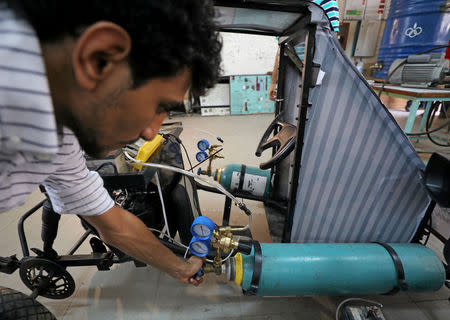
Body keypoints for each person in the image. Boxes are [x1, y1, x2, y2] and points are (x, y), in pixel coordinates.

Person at [0, 0, 222, 286]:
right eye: (159, 105)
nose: (152, 131)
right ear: (99, 58)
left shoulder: (61, 144)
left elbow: (114, 226)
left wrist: (180, 268)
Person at [268, 0, 339, 101]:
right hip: (291, 79)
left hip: (318, 77)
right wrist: (273, 82)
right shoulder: (284, 5)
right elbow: (282, 47)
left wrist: (322, 78)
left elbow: (332, 42)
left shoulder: (326, 1)